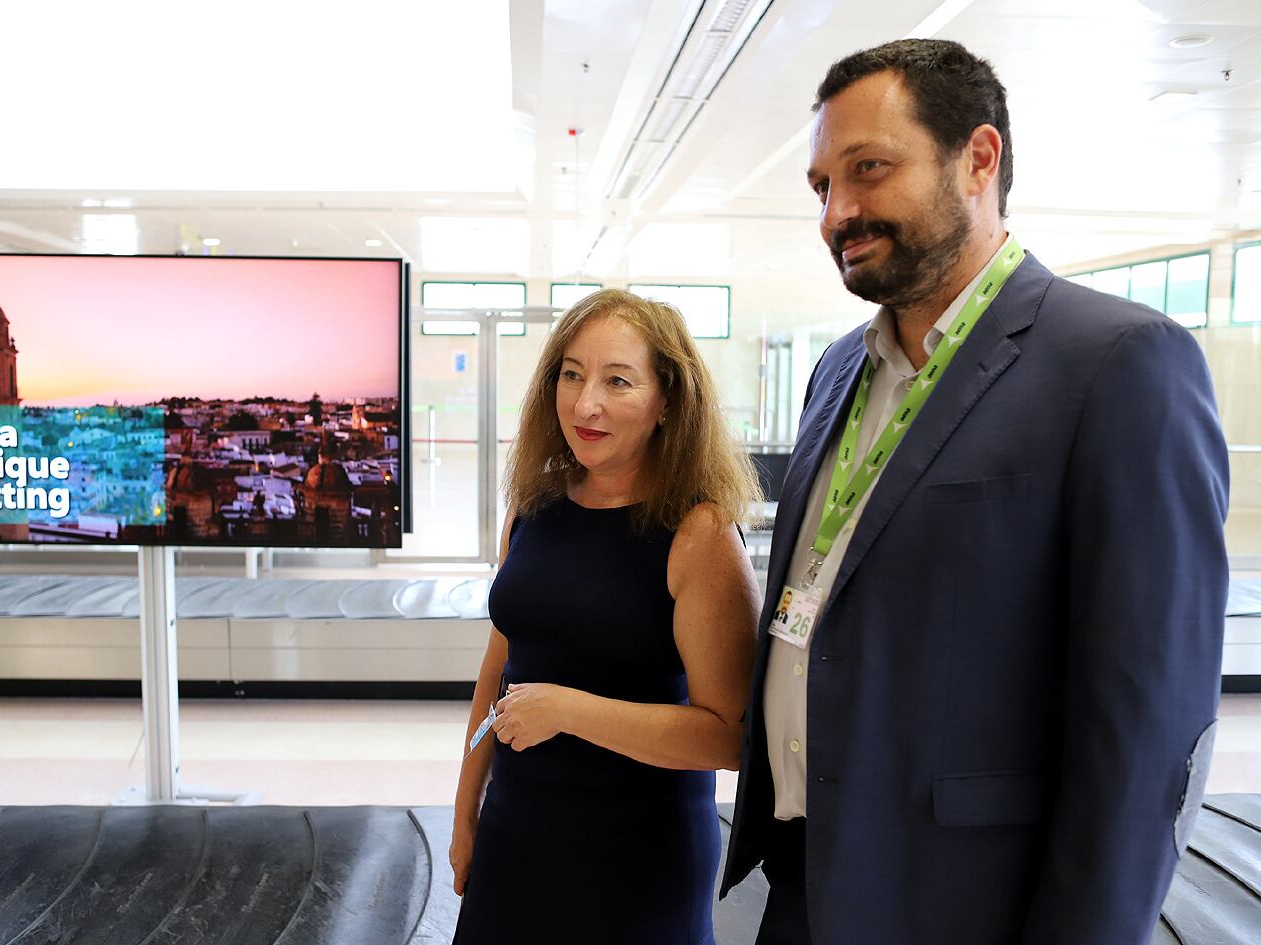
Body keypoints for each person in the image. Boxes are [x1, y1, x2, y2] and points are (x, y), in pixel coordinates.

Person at [720, 39, 1229, 945]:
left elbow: (1147, 730)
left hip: (971, 902)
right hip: (805, 887)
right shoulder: (839, 370)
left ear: (978, 159)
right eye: (821, 186)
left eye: (869, 169)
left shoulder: (1118, 365)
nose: (839, 211)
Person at [450, 289, 762, 945]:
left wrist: (567, 710)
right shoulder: (532, 506)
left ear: (667, 400)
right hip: (517, 832)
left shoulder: (698, 534)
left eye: (617, 380)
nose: (585, 403)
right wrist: (464, 809)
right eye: (571, 373)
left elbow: (729, 736)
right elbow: (499, 664)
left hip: (637, 858)